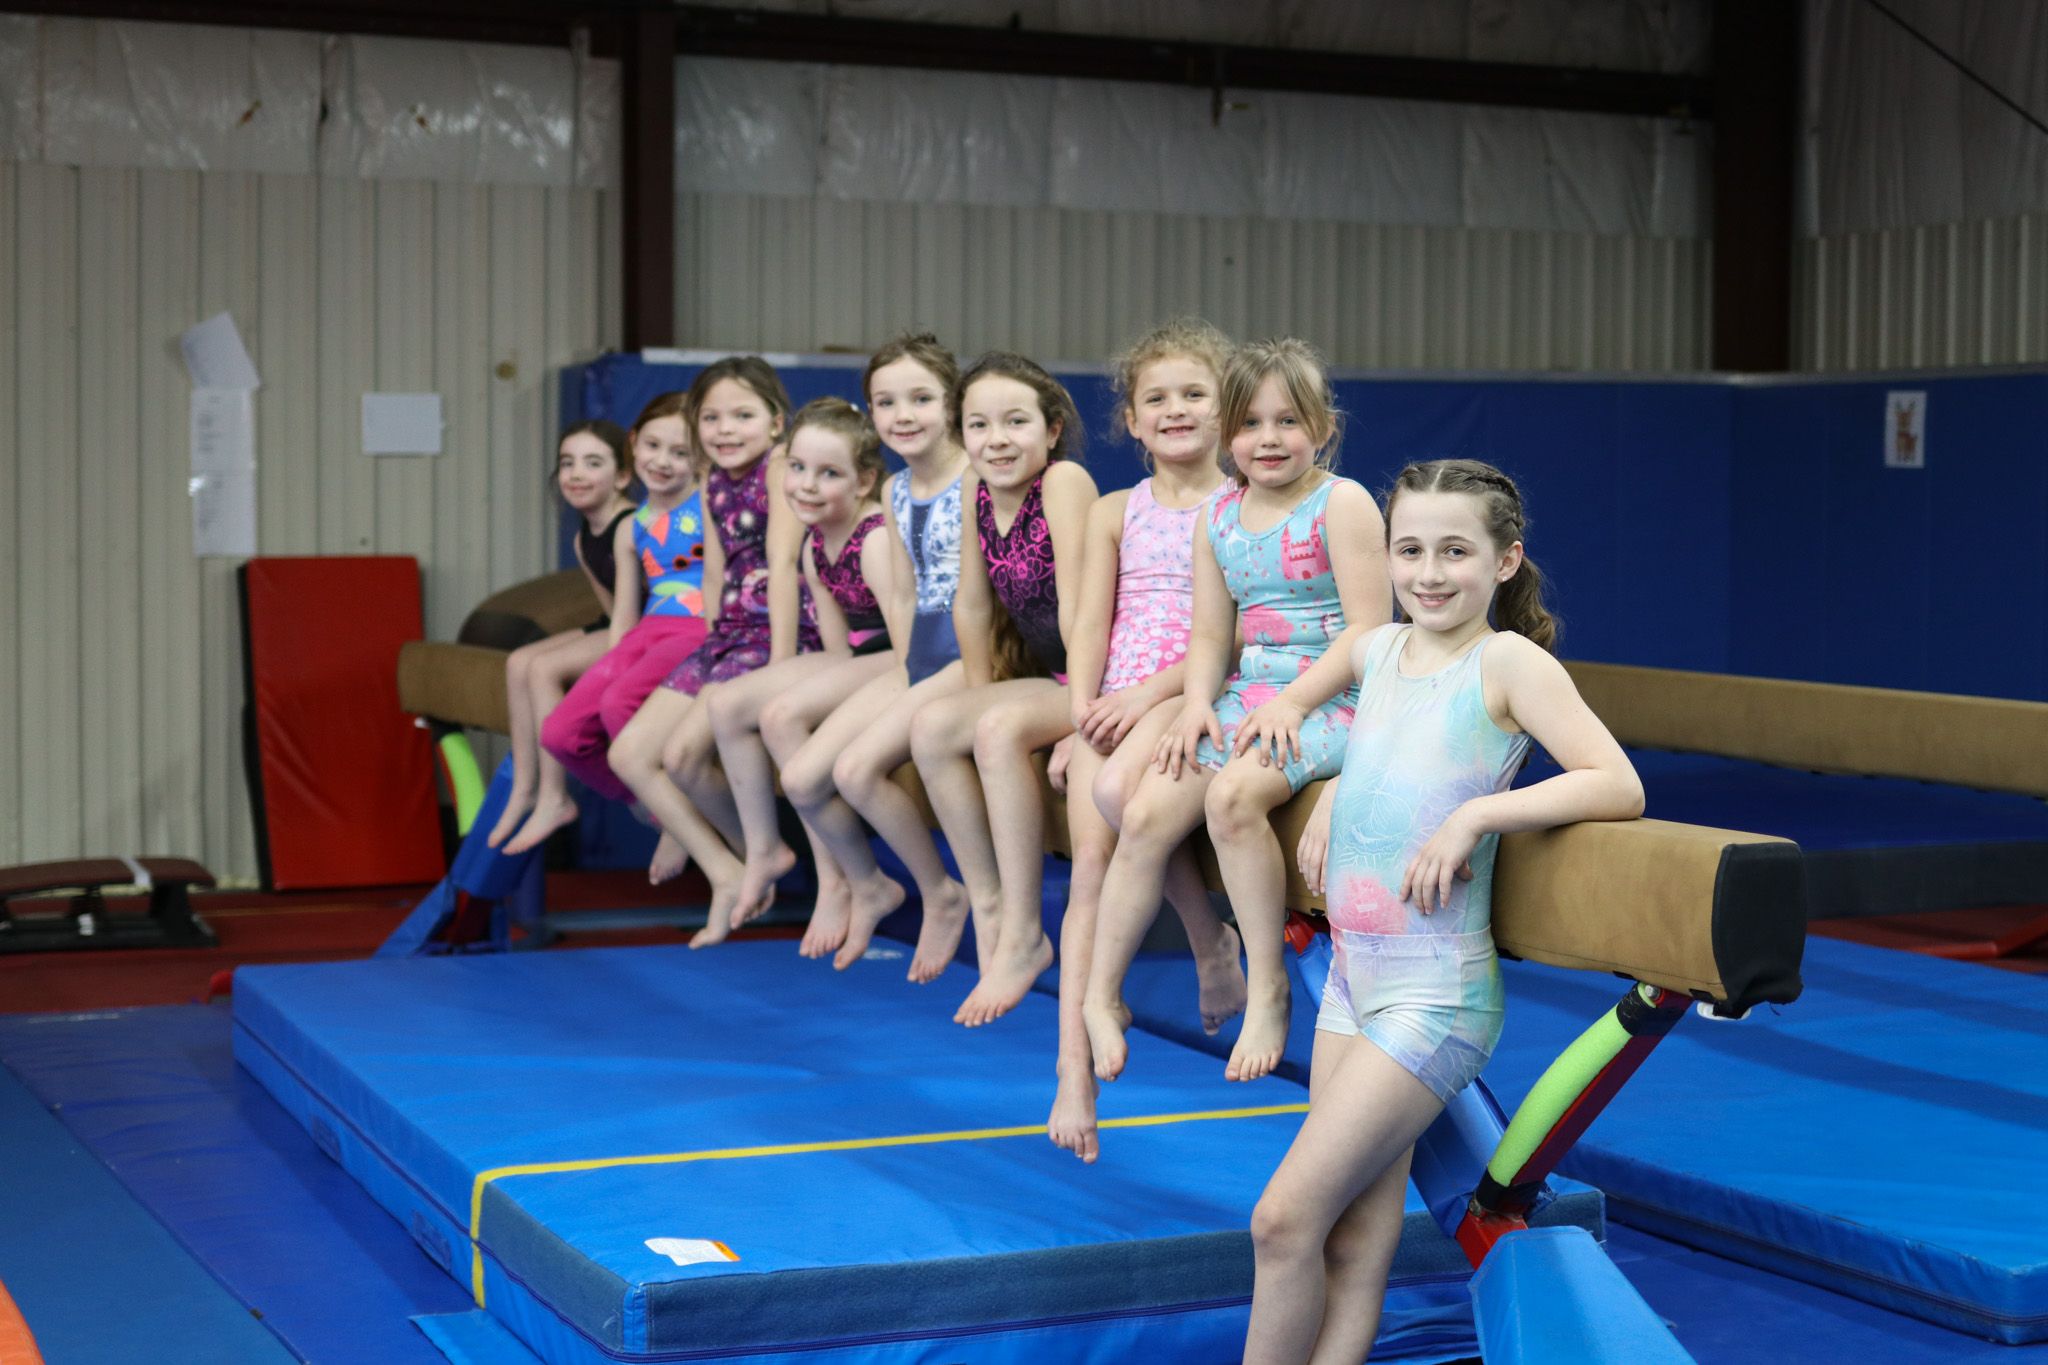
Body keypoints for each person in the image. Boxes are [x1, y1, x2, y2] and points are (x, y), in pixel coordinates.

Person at [1243, 458, 1643, 1364]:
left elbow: (1617, 781)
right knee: (1353, 1237)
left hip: (1435, 994)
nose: (1429, 572)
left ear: (1505, 560)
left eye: (1455, 551)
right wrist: (1333, 782)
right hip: (1354, 979)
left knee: (1281, 1219)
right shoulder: (1377, 649)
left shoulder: (1506, 662)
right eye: (1410, 549)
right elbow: (1377, 730)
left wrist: (1477, 815)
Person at [1084, 338, 1387, 1084]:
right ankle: (1099, 993)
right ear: (1228, 434)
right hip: (1249, 695)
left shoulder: (1341, 503)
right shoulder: (1219, 514)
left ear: (1324, 427)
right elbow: (1211, 635)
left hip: (1336, 694)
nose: (1268, 439)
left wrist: (1295, 699)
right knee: (1144, 813)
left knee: (1231, 797)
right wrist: (1195, 705)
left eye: (1288, 421)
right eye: (1250, 423)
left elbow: (1368, 632)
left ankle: (1267, 982)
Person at [1048, 320, 1247, 1164]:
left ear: (1226, 410)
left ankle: (1208, 938)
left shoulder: (1241, 505)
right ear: (1130, 419)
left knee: (1125, 800)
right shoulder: (1111, 509)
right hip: (1114, 697)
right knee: (1088, 875)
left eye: (1195, 393)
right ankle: (1072, 1072)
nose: (1175, 409)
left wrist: (1144, 697)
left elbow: (1233, 637)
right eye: (1156, 398)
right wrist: (1081, 712)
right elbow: (1090, 622)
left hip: (1187, 693)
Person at [772, 335, 978, 972]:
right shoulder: (894, 490)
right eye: (886, 402)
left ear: (953, 402)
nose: (902, 415)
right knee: (801, 778)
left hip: (973, 659)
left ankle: (942, 893)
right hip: (921, 657)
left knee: (857, 770)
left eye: (921, 399)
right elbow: (908, 599)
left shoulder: (978, 475)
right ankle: (866, 884)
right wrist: (903, 681)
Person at [909, 353, 1099, 1026]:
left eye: (1016, 422)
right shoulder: (977, 489)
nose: (997, 439)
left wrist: (1083, 719)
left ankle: (1024, 931)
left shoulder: (1064, 482)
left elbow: (1083, 609)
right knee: (934, 727)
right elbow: (972, 602)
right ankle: (987, 900)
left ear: (1052, 430)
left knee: (998, 731)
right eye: (979, 424)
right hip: (1044, 674)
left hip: (1101, 672)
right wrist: (978, 695)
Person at [604, 357, 809, 942]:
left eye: (742, 416)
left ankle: (761, 853)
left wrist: (782, 667)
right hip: (729, 635)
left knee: (683, 756)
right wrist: (714, 640)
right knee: (629, 756)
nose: (725, 430)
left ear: (776, 422)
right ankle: (728, 868)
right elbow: (715, 574)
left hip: (779, 632)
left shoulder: (779, 469)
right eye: (712, 418)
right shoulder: (713, 480)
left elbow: (785, 565)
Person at [703, 397, 897, 950]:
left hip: (900, 658)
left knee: (782, 715)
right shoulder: (816, 545)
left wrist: (819, 697)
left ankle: (847, 879)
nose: (807, 486)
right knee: (725, 705)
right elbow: (837, 651)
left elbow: (908, 648)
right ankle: (764, 849)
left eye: (828, 473)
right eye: (798, 469)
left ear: (864, 481)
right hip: (859, 658)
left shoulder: (875, 540)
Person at [515, 395, 705, 856]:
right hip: (649, 629)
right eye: (653, 446)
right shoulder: (631, 527)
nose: (662, 461)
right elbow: (623, 615)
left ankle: (681, 820)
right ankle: (655, 807)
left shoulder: (708, 506)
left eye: (680, 453)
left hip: (697, 629)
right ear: (634, 445)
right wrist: (616, 661)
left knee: (620, 704)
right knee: (559, 735)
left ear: (700, 460)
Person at [487, 421, 637, 849]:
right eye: (567, 463)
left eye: (593, 463)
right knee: (518, 662)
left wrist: (615, 667)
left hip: (648, 626)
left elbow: (632, 616)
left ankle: (556, 796)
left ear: (622, 476)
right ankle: (525, 788)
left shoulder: (631, 525)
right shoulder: (582, 539)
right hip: (617, 620)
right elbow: (610, 609)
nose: (576, 474)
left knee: (544, 669)